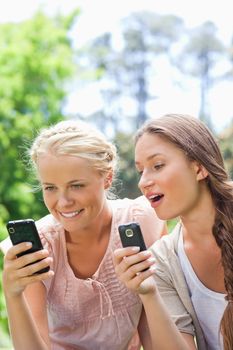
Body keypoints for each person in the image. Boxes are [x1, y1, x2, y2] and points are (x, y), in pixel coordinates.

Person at [0, 119, 167, 350]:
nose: (63, 202)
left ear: (107, 178)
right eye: (50, 187)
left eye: (76, 185)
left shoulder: (143, 221)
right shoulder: (41, 245)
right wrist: (12, 294)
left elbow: (153, 327)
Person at [114, 114, 233, 350]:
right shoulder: (163, 260)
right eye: (141, 171)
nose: (143, 182)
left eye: (157, 166)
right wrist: (148, 294)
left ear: (199, 168)